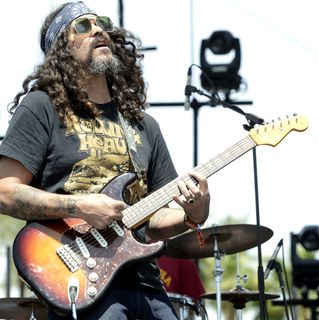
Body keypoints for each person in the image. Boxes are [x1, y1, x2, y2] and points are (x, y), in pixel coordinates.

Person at [0, 1, 210, 319]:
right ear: (62, 48)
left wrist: (192, 215)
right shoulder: (41, 107)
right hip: (81, 280)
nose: (98, 29)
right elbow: (5, 191)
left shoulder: (143, 126)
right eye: (83, 26)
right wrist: (78, 206)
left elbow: (154, 219)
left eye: (101, 23)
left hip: (147, 284)